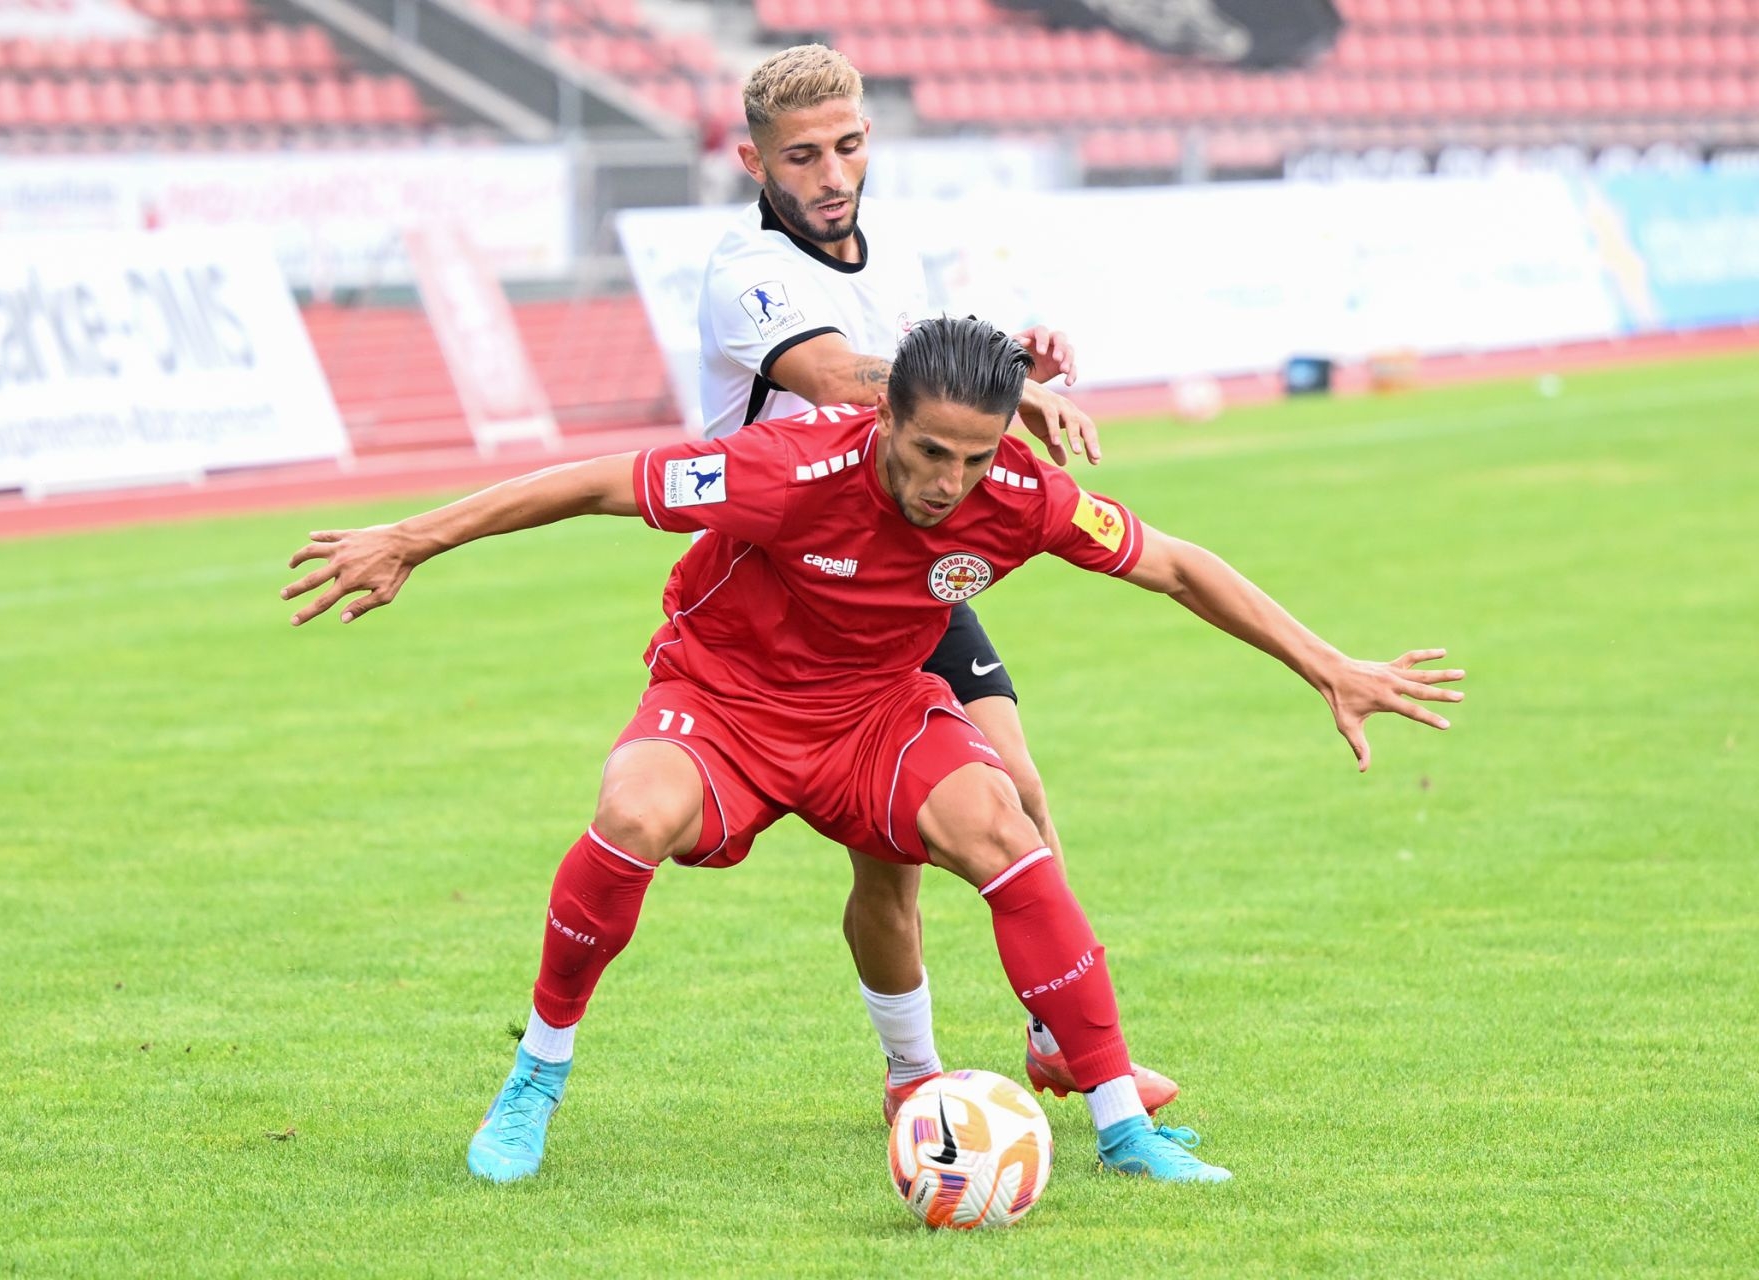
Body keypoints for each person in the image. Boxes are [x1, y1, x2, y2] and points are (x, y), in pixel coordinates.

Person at [280, 317, 1464, 1186]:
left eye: (975, 457)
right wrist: (412, 538)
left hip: (872, 715)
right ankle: (537, 1073)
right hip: (726, 703)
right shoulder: (789, 468)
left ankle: (1121, 1122)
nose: (951, 483)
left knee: (1004, 821)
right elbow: (597, 483)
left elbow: (1177, 564)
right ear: (885, 415)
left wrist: (1327, 662)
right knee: (632, 811)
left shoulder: (1016, 491)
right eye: (931, 451)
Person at [696, 43, 1144, 1121]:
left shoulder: (887, 254)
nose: (832, 174)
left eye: (848, 146)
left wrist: (1004, 359)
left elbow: (924, 368)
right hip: (797, 581)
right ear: (756, 162)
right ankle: (913, 1071)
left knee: (1018, 785)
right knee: (887, 866)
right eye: (802, 156)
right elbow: (829, 374)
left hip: (901, 553)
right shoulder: (745, 271)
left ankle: (1056, 1037)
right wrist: (1004, 393)